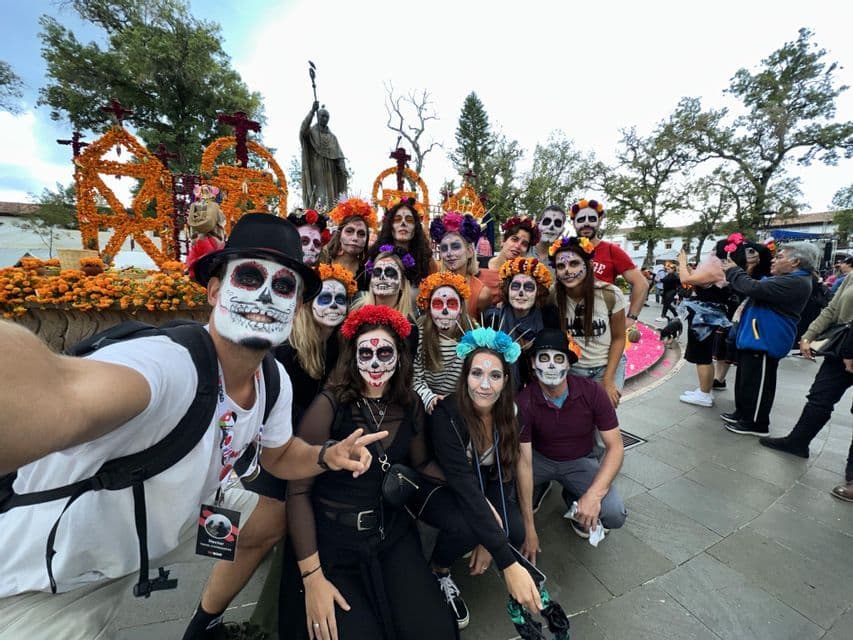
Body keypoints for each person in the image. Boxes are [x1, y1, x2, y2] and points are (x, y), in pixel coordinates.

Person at [0, 214, 385, 639]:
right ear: (215, 291)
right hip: (48, 581)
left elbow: (278, 455)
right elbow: (60, 394)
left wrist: (325, 456)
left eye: (283, 286)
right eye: (250, 276)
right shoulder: (169, 364)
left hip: (179, 519)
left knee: (267, 520)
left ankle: (203, 625)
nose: (265, 296)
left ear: (295, 308)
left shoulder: (271, 381)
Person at [284, 305, 457, 640]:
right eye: (366, 352)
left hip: (390, 535)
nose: (375, 363)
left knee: (434, 631)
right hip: (333, 543)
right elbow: (298, 490)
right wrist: (313, 578)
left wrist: (470, 485)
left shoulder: (409, 405)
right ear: (353, 357)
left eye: (385, 352)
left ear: (400, 358)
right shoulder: (329, 405)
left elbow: (421, 466)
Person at [248, 263, 358, 637]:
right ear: (309, 304)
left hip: (314, 452)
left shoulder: (339, 345)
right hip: (280, 454)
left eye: (340, 299)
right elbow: (282, 422)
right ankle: (259, 619)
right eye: (324, 298)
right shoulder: (288, 352)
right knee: (273, 532)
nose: (332, 305)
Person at [421, 327, 542, 629]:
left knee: (510, 528)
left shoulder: (512, 414)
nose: (485, 385)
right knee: (467, 526)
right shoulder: (445, 416)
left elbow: (508, 470)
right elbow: (462, 484)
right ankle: (438, 569)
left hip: (484, 482)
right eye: (476, 374)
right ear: (465, 377)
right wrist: (506, 560)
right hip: (440, 486)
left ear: (506, 379)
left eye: (495, 376)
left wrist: (516, 531)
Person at [516, 329, 626, 549]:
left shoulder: (592, 392)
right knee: (506, 498)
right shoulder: (524, 402)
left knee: (614, 514)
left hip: (580, 461)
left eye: (558, 359)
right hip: (540, 460)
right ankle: (542, 486)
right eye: (544, 358)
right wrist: (529, 529)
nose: (551, 365)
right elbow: (524, 462)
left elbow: (616, 448)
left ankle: (573, 494)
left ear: (568, 364)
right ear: (533, 364)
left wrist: (594, 496)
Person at [760, 274, 853, 502]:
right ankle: (798, 442)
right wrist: (809, 335)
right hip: (843, 343)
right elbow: (832, 309)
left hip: (850, 347)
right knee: (820, 397)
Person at [720, 241, 820, 436]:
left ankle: (756, 423)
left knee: (759, 381)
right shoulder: (787, 278)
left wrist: (733, 271)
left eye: (780, 256)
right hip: (756, 336)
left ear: (796, 262)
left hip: (767, 338)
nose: (775, 260)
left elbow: (752, 287)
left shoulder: (795, 282)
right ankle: (743, 413)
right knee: (746, 379)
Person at [550, 235, 627, 407]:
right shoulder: (553, 295)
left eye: (574, 263)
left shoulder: (610, 294)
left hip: (606, 366)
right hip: (573, 369)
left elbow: (619, 338)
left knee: (603, 421)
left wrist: (608, 380)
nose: (567, 270)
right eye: (561, 266)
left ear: (589, 265)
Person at [676, 240, 738, 408]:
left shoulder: (717, 268)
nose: (710, 253)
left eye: (713, 249)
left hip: (704, 317)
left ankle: (704, 394)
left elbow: (686, 279)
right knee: (703, 354)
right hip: (706, 315)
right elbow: (695, 279)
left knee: (701, 355)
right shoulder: (719, 267)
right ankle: (705, 390)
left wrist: (682, 262)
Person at [570, 198, 648, 328]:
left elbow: (641, 283)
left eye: (592, 219)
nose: (586, 223)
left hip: (602, 323)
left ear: (599, 221)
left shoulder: (612, 250)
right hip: (570, 321)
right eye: (581, 220)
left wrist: (631, 317)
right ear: (574, 223)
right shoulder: (567, 250)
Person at [483, 257, 558, 390]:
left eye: (528, 287)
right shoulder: (493, 319)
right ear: (507, 290)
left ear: (538, 292)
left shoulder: (549, 318)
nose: (521, 293)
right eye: (516, 286)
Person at [713, 241, 773, 390]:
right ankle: (717, 378)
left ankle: (720, 378)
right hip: (730, 312)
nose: (748, 255)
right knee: (722, 346)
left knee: (731, 347)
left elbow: (747, 289)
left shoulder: (764, 276)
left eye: (753, 252)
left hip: (745, 316)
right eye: (747, 251)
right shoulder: (739, 269)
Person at [413, 272, 472, 414]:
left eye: (451, 304)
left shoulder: (473, 338)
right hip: (428, 403)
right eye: (438, 304)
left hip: (461, 403)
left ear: (461, 308)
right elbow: (415, 379)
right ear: (429, 309)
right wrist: (431, 398)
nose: (445, 311)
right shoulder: (420, 337)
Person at [352, 249, 418, 355]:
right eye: (377, 272)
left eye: (390, 273)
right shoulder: (356, 315)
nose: (382, 277)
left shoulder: (410, 328)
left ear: (402, 284)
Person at [430, 211, 493, 317]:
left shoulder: (482, 294)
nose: (449, 254)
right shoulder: (432, 286)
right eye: (444, 248)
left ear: (469, 252)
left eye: (455, 247)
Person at [367, 197, 437, 287]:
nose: (403, 223)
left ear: (415, 228)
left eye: (409, 220)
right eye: (397, 219)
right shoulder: (376, 255)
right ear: (390, 227)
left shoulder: (426, 260)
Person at [300, 101, 348, 209]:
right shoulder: (311, 132)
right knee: (320, 195)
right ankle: (317, 215)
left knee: (332, 196)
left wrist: (342, 166)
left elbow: (339, 155)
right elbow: (302, 131)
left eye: (327, 117)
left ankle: (333, 215)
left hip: (331, 171)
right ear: (317, 117)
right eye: (323, 116)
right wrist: (312, 111)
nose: (325, 119)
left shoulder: (332, 137)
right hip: (317, 170)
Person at [323, 197, 379, 291]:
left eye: (361, 234)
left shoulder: (369, 274)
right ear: (339, 235)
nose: (355, 238)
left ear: (366, 240)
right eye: (349, 231)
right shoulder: (323, 264)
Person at [478, 216, 540, 298]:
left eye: (524, 244)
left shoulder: (523, 279)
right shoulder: (477, 264)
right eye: (514, 239)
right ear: (503, 241)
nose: (518, 246)